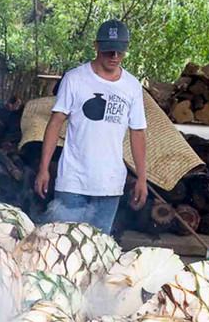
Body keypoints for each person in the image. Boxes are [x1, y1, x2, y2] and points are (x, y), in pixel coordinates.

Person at [34, 20, 148, 234]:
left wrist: (142, 178)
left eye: (119, 51)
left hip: (110, 184)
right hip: (72, 181)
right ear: (95, 45)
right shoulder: (75, 79)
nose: (114, 56)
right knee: (62, 243)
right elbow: (55, 123)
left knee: (97, 249)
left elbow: (138, 133)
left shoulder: (132, 86)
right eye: (108, 50)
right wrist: (43, 168)